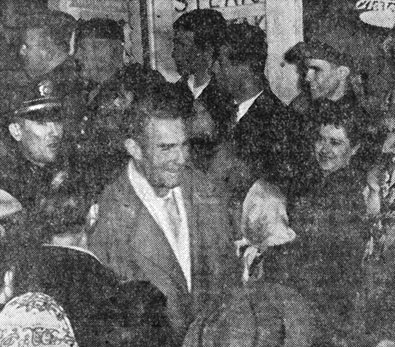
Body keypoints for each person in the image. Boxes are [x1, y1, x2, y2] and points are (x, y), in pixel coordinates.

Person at [88, 86, 239, 345]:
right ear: (134, 149)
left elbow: (230, 282)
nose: (180, 159)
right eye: (166, 148)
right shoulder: (110, 219)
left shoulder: (206, 190)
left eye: (184, 145)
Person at [281, 102, 372, 344]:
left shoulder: (345, 195)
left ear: (354, 149)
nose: (324, 149)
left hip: (321, 315)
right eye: (321, 139)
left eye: (335, 142)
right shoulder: (319, 183)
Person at [212, 22, 294, 187]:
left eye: (220, 63)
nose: (213, 69)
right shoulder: (217, 113)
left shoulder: (279, 122)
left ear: (245, 68)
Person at [0, 77, 76, 234]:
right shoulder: (6, 181)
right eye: (42, 123)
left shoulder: (73, 166)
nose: (54, 132)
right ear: (16, 131)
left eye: (57, 121)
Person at [172, 9, 234, 171]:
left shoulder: (230, 98)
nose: (174, 54)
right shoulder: (172, 93)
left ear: (207, 50)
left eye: (182, 45)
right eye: (175, 44)